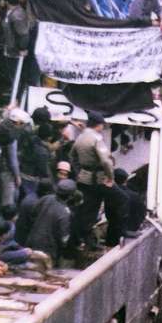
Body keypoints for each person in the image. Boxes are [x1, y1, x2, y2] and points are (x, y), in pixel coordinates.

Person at [71, 111, 114, 249]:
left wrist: (79, 172)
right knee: (92, 210)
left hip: (83, 177)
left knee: (82, 208)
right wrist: (110, 177)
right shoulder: (96, 139)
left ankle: (77, 238)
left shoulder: (80, 137)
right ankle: (89, 241)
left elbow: (72, 157)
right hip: (96, 180)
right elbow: (106, 162)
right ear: (99, 125)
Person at [25, 179, 74, 262]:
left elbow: (32, 213)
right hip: (48, 250)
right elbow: (64, 238)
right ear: (70, 196)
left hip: (31, 242)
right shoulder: (64, 213)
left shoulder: (46, 198)